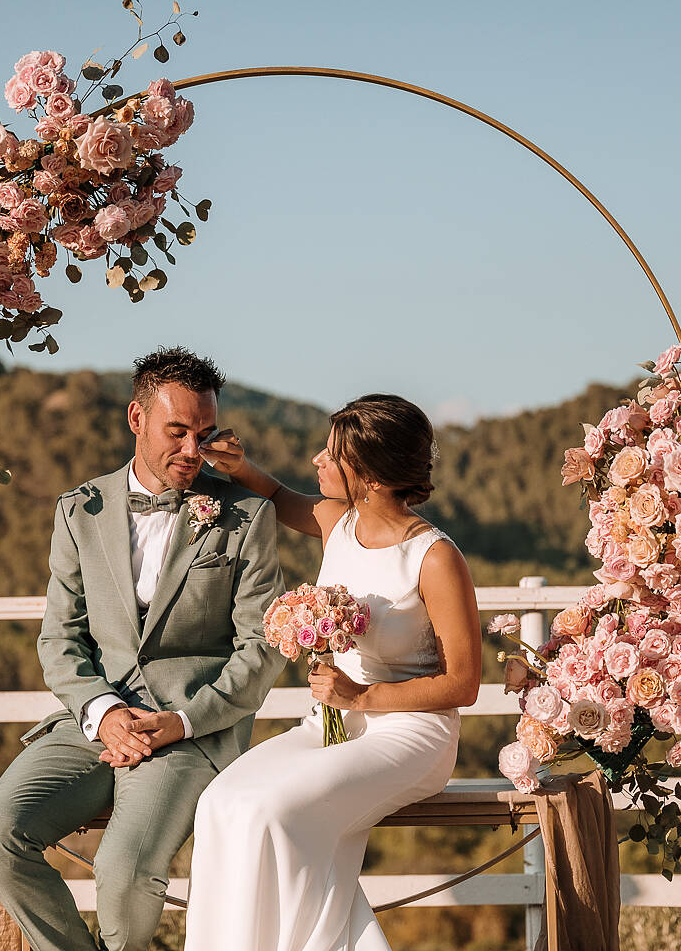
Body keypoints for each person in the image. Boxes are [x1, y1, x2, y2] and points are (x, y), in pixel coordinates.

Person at [0, 347, 286, 951]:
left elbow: (262, 650)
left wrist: (183, 719)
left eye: (204, 433)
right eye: (177, 432)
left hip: (191, 727)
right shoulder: (79, 509)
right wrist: (105, 712)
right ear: (135, 419)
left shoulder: (245, 516)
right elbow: (60, 639)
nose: (193, 450)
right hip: (92, 721)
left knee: (121, 872)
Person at [183, 393, 482, 951]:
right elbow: (273, 494)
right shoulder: (335, 523)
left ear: (368, 475)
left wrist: (364, 698)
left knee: (274, 813)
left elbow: (463, 684)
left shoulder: (435, 557)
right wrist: (237, 466)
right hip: (330, 725)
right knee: (221, 804)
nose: (317, 460)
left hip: (411, 734)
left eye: (331, 453)